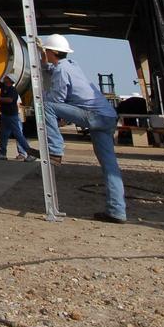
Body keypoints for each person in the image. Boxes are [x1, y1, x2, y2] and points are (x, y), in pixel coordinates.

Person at [39, 33, 127, 224]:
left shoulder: (61, 71)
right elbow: (52, 67)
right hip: (108, 116)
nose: (45, 53)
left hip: (94, 116)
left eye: (46, 51)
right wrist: (43, 59)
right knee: (110, 166)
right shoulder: (73, 65)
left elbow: (57, 100)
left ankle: (55, 150)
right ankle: (117, 211)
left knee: (45, 105)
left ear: (52, 52)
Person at [0, 74, 35, 161]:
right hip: (5, 115)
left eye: (6, 77)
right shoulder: (3, 87)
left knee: (18, 135)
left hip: (11, 116)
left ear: (10, 80)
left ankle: (30, 154)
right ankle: (2, 153)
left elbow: (10, 100)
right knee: (4, 135)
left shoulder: (12, 90)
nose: (4, 77)